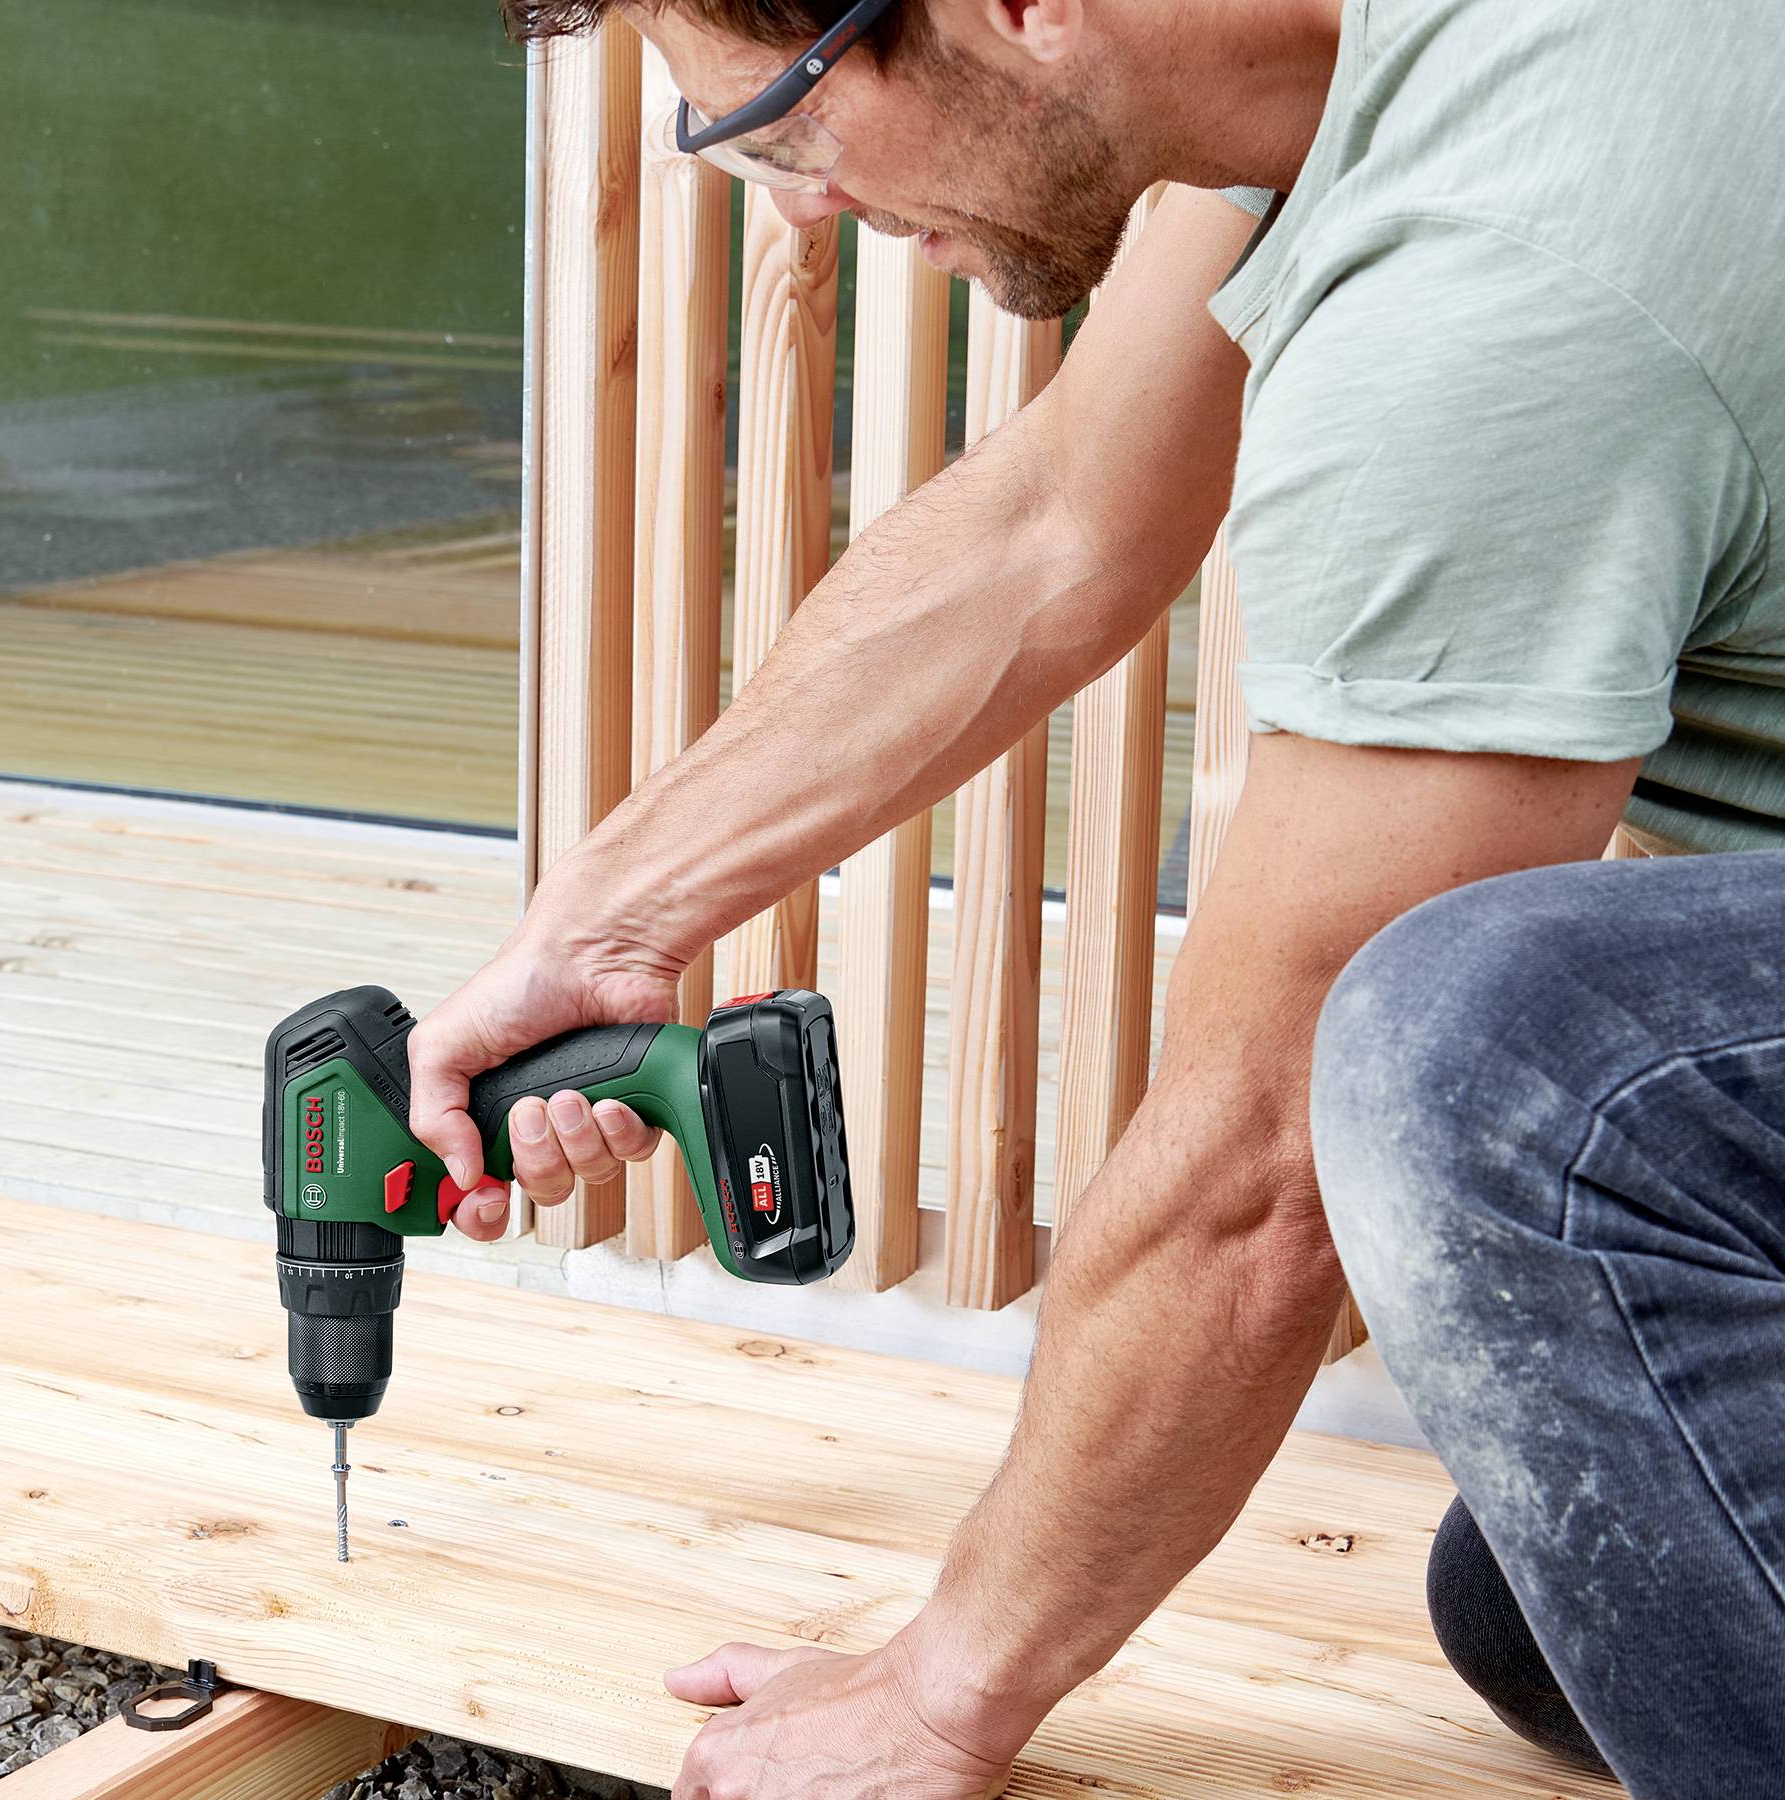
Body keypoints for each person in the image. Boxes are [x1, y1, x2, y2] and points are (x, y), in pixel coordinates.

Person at [402, 0, 1785, 1794]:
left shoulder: (1506, 274)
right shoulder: (1324, 76)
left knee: (1496, 1066)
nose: (797, 213)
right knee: (1561, 1597)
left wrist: (945, 1687)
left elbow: (1264, 1161)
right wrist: (601, 922)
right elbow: (1053, 526)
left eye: (787, 129)